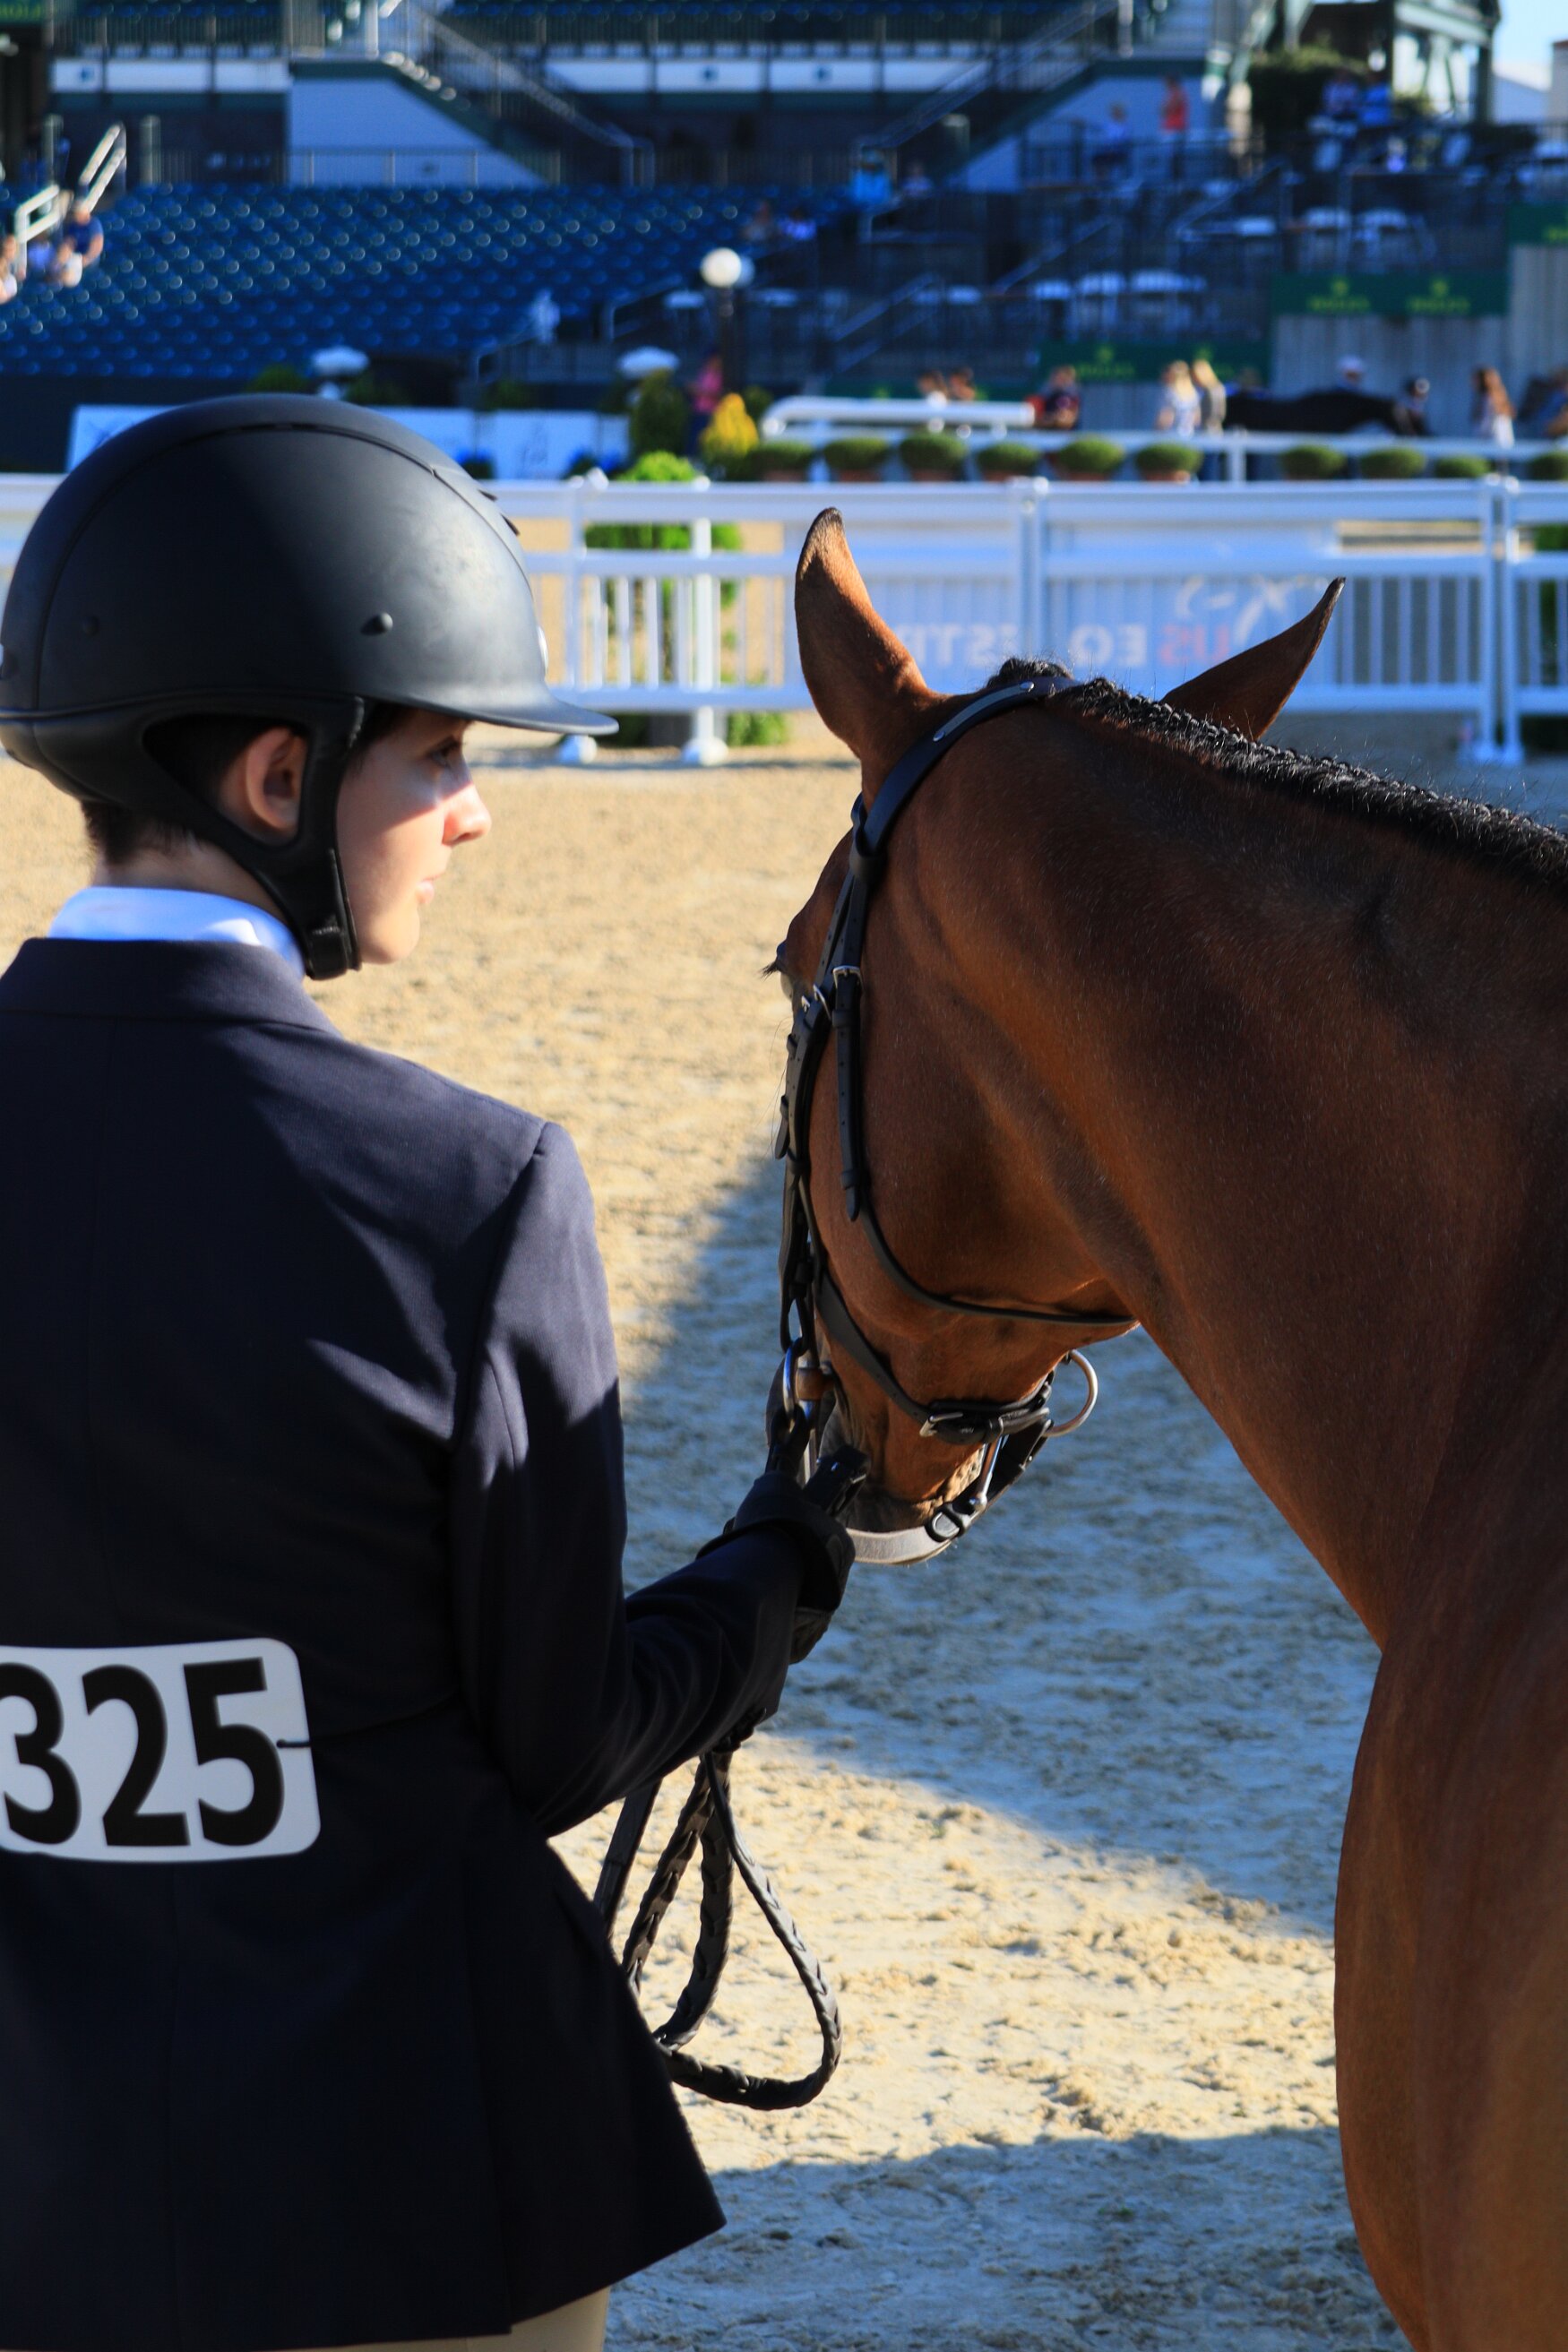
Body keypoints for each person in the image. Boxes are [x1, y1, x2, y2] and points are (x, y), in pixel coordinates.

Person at [0, 397, 864, 2352]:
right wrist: (778, 1575)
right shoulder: (469, 1193)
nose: (471, 812)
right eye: (445, 753)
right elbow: (556, 1740)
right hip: (396, 2168)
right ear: (279, 771)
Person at [1470, 365, 1514, 449]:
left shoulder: (1488, 398)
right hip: (1501, 442)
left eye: (1476, 379)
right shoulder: (1498, 395)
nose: (1472, 382)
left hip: (1492, 443)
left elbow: (1486, 423)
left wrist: (1479, 440)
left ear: (1483, 380)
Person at [1155, 358, 1201, 436]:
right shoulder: (1193, 393)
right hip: (1189, 434)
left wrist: (1155, 433)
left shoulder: (1169, 392)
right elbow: (1197, 419)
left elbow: (1166, 418)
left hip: (1171, 434)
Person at [1031, 363, 1081, 430]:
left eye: (1062, 378)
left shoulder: (1073, 398)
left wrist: (1063, 418)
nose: (1058, 380)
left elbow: (1072, 419)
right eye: (1056, 377)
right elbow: (1036, 420)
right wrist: (1052, 419)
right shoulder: (1044, 398)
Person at [1191, 355, 1226, 432]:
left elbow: (1216, 414)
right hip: (1199, 429)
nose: (1193, 378)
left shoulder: (1215, 390)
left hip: (1210, 430)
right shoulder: (1198, 389)